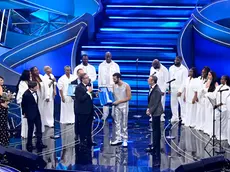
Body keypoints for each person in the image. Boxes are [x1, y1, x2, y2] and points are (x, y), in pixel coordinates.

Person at [21, 81, 47, 151]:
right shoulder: (26, 94)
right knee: (30, 129)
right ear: (32, 88)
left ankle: (39, 143)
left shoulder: (35, 92)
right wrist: (24, 113)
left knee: (39, 128)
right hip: (30, 114)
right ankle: (29, 144)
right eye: (36, 86)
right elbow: (23, 105)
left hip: (37, 113)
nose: (38, 87)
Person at [74, 73, 96, 146]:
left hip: (89, 110)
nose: (88, 79)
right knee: (82, 127)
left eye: (88, 77)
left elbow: (89, 96)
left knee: (89, 126)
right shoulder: (78, 87)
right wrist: (88, 92)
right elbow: (81, 99)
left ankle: (89, 141)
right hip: (82, 111)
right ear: (82, 79)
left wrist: (94, 94)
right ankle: (82, 141)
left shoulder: (88, 86)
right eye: (86, 78)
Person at [110, 73, 131, 147]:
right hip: (116, 106)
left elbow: (128, 97)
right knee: (117, 122)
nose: (113, 80)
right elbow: (112, 95)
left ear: (119, 78)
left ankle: (125, 139)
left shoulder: (126, 85)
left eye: (115, 79)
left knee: (124, 123)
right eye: (113, 79)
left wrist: (119, 101)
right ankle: (118, 138)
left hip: (124, 106)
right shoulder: (113, 86)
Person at [98, 52, 120, 120]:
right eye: (106, 56)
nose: (108, 58)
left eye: (109, 56)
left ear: (111, 57)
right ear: (105, 57)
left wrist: (117, 85)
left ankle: (114, 114)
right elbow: (99, 76)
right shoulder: (101, 65)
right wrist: (99, 86)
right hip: (104, 85)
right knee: (105, 101)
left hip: (113, 86)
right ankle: (105, 115)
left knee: (114, 100)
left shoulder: (115, 65)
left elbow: (118, 76)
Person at [207, 75, 230, 140]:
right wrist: (208, 95)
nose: (221, 80)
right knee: (216, 121)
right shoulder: (218, 87)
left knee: (222, 123)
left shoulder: (227, 88)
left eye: (223, 79)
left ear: (226, 81)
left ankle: (223, 135)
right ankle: (216, 134)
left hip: (223, 108)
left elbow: (224, 100)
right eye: (221, 79)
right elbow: (214, 95)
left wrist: (217, 105)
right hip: (217, 107)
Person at [146, 75, 163, 154]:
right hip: (154, 111)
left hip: (156, 112)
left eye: (149, 79)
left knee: (156, 130)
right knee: (155, 129)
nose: (147, 80)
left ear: (153, 81)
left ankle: (156, 146)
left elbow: (156, 103)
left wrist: (150, 111)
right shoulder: (152, 88)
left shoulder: (156, 90)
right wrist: (148, 108)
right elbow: (151, 100)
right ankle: (155, 144)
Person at [169, 56, 188, 123]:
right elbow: (169, 78)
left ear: (181, 60)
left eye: (177, 60)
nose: (176, 61)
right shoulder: (171, 68)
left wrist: (180, 90)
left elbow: (184, 81)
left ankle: (184, 118)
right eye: (175, 60)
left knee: (182, 104)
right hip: (173, 88)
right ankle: (175, 117)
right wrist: (169, 88)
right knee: (173, 103)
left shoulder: (184, 69)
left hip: (180, 89)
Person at [30, 66, 50, 132]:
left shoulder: (41, 77)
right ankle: (36, 129)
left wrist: (47, 96)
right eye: (35, 70)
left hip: (42, 99)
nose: (37, 71)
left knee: (42, 113)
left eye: (37, 70)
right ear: (32, 72)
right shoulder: (31, 79)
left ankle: (41, 127)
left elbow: (46, 86)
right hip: (35, 99)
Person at [16, 70, 31, 138]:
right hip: (24, 102)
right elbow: (23, 93)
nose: (31, 75)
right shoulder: (22, 83)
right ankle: (25, 134)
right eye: (29, 74)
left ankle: (31, 133)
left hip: (30, 102)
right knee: (25, 118)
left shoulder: (29, 81)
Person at [203, 71, 218, 136]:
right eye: (208, 75)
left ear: (213, 76)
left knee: (211, 115)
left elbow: (216, 93)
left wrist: (209, 94)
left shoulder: (215, 83)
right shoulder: (206, 82)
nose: (208, 76)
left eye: (210, 75)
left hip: (211, 101)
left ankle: (211, 130)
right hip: (206, 100)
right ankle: (207, 129)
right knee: (207, 115)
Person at [195, 66, 210, 131]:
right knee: (199, 112)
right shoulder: (199, 78)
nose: (202, 73)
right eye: (202, 72)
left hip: (204, 98)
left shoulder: (208, 80)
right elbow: (197, 88)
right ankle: (199, 125)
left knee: (203, 113)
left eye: (204, 72)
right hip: (199, 98)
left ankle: (204, 126)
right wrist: (196, 96)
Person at [0, 76, 9, 146]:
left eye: (2, 80)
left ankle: (4, 140)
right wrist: (1, 104)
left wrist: (6, 103)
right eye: (0, 80)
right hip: (0, 107)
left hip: (4, 108)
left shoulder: (4, 88)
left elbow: (7, 98)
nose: (2, 81)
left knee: (4, 123)